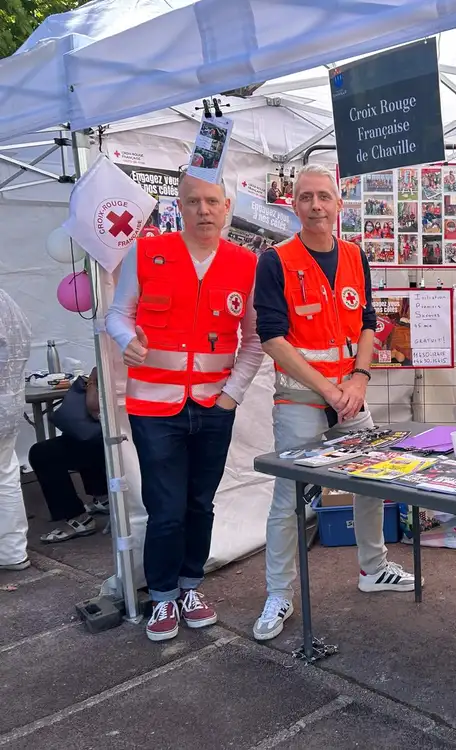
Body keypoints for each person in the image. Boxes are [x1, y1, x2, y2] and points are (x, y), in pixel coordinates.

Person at [252, 163, 417, 642]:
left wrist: (361, 379)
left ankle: (373, 568)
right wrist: (329, 390)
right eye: (306, 197)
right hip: (304, 400)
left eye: (324, 197)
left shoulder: (354, 255)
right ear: (294, 204)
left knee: (369, 482)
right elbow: (272, 337)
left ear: (339, 204)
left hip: (351, 396)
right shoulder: (275, 261)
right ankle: (279, 593)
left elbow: (367, 322)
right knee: (290, 500)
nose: (316, 206)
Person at [106, 172, 264, 642]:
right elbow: (117, 313)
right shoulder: (147, 253)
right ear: (180, 205)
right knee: (165, 507)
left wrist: (232, 394)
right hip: (154, 406)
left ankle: (190, 587)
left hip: (214, 406)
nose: (204, 211)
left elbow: (254, 340)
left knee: (200, 502)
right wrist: (123, 339)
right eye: (194, 202)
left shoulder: (245, 263)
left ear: (227, 206)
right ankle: (161, 596)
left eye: (212, 202)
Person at [32, 367, 110, 543]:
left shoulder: (114, 363)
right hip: (112, 436)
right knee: (79, 436)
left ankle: (80, 517)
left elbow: (94, 408)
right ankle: (103, 496)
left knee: (45, 453)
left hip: (123, 438)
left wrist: (92, 382)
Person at [0, 288, 31, 572]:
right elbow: (25, 342)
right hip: (8, 404)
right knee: (6, 475)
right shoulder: (6, 300)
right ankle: (11, 552)